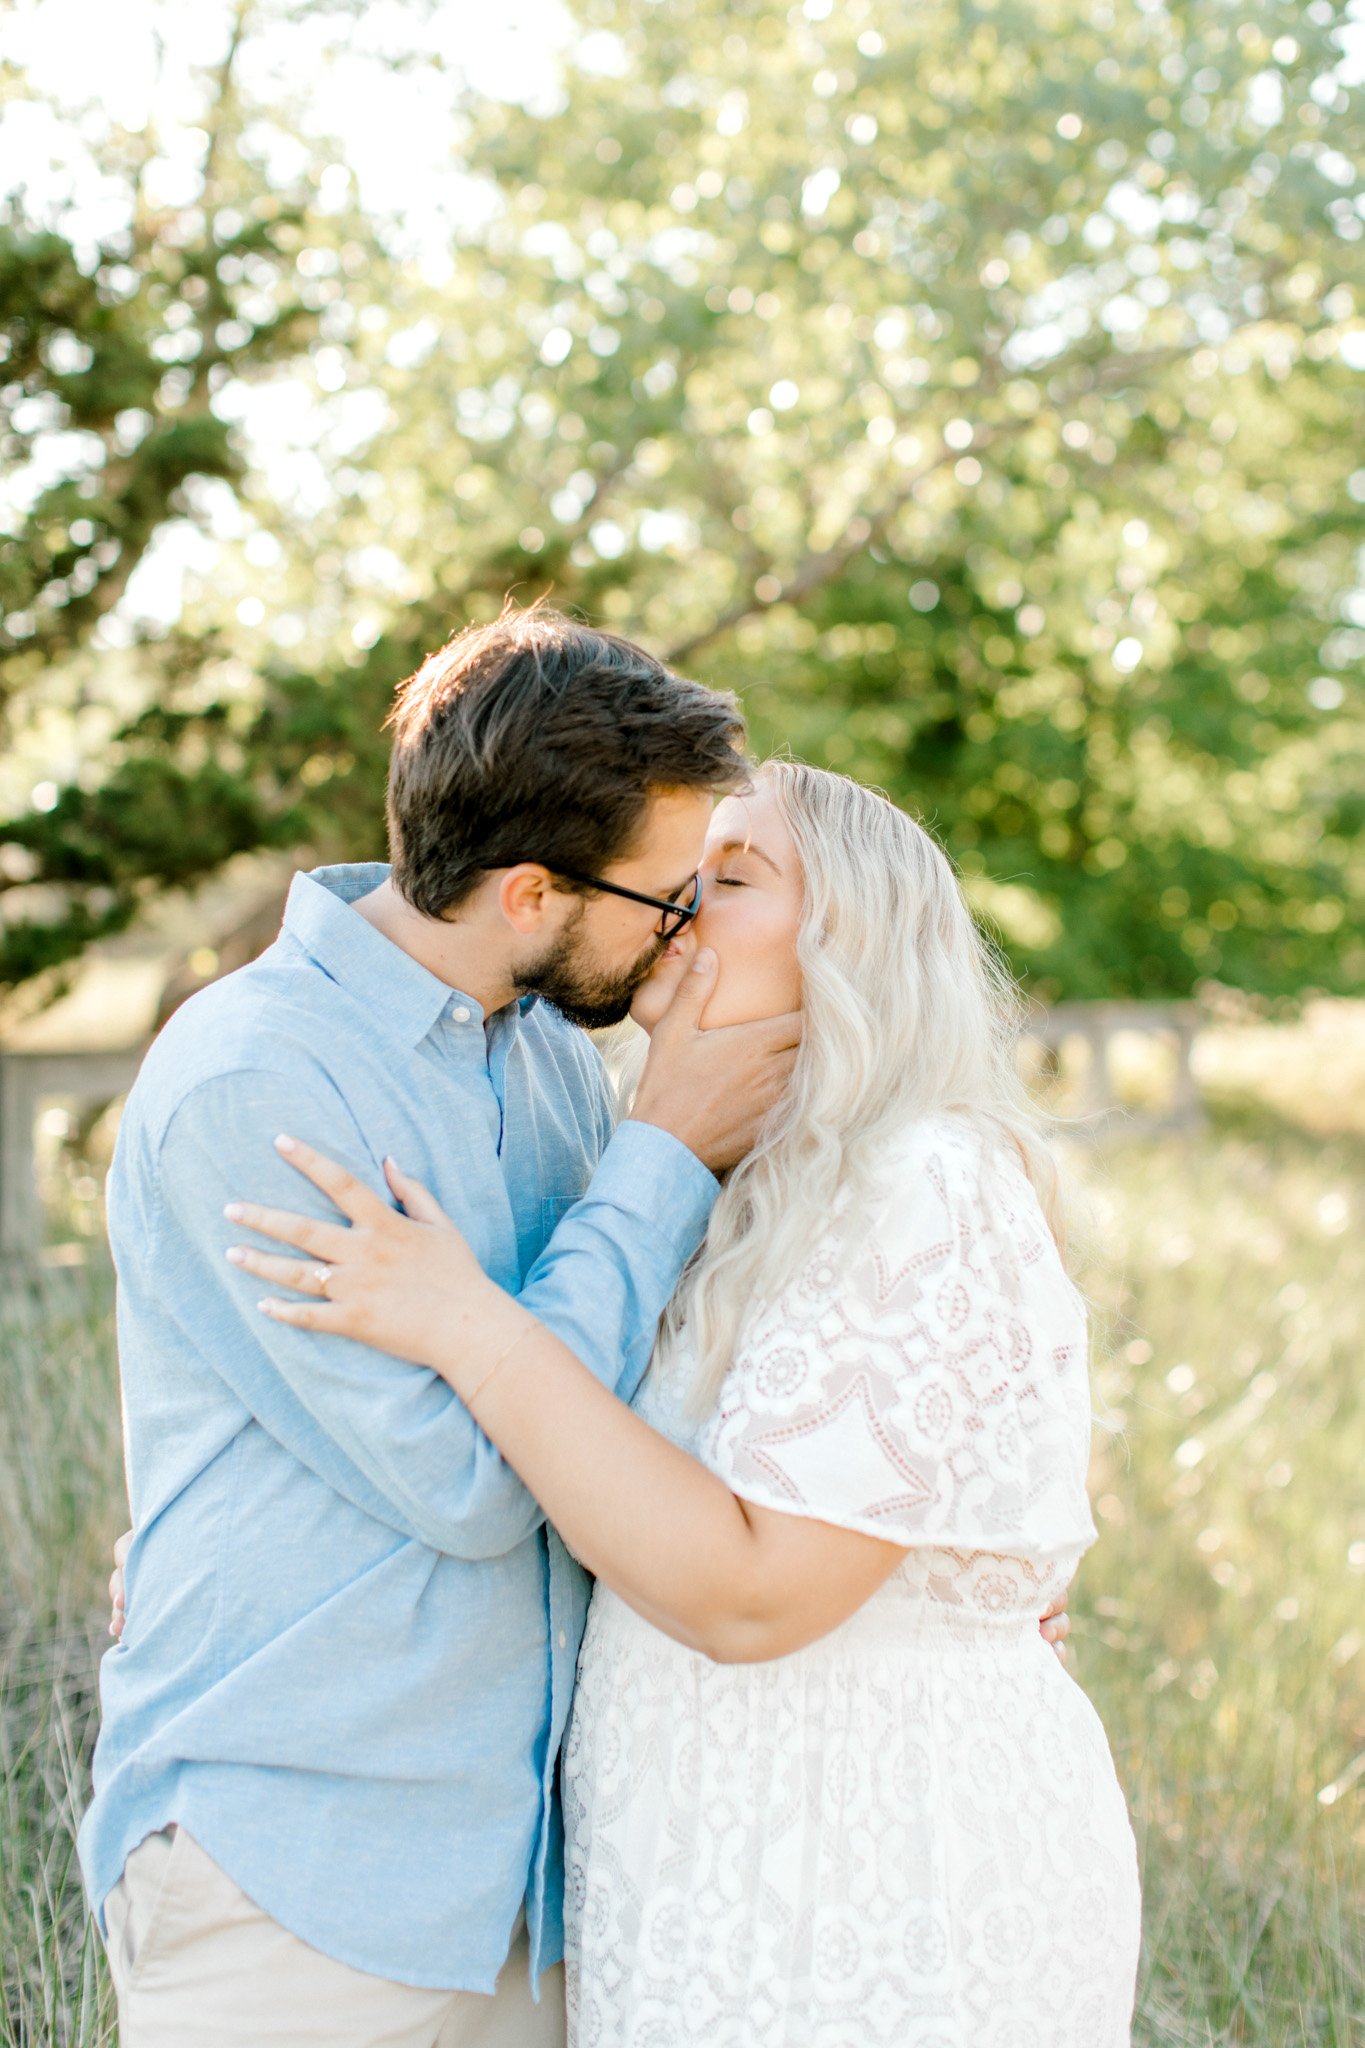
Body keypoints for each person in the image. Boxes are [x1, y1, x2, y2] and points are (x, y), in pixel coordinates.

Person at [222, 761, 1141, 2047]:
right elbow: (573, 1492)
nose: (672, 906)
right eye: (677, 877)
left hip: (880, 1866)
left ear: (850, 941)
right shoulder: (702, 1190)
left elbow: (756, 1589)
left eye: (733, 877)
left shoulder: (924, 1181)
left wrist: (466, 1321)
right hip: (700, 1871)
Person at [79, 605, 806, 2048]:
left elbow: (622, 1407)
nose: (679, 941)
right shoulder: (257, 1080)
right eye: (665, 901)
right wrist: (660, 1153)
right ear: (531, 892)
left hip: (525, 1881)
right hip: (299, 1876)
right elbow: (474, 1483)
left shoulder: (546, 1058)